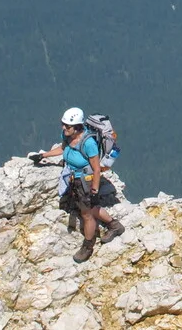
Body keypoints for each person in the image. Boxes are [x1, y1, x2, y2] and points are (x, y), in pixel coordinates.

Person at [29, 107, 125, 262]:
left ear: (77, 127)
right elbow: (63, 148)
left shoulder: (88, 143)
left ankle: (88, 246)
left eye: (67, 126)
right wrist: (42, 155)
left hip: (84, 181)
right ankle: (115, 225)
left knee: (86, 214)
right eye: (63, 124)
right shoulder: (67, 136)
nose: (64, 128)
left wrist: (94, 188)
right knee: (91, 209)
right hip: (74, 177)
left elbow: (95, 168)